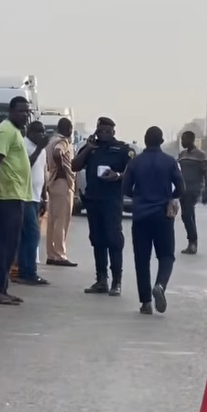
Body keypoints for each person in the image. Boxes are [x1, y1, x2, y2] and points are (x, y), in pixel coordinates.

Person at [124, 126, 184, 315]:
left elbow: (126, 189)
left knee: (142, 260)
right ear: (161, 141)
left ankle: (146, 303)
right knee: (166, 256)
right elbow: (181, 188)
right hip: (163, 215)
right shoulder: (169, 162)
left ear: (145, 140)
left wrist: (140, 196)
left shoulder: (135, 162)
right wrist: (169, 197)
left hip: (141, 216)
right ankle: (160, 285)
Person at [72, 116, 132, 295]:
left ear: (113, 131)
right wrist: (88, 148)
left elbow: (132, 173)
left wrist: (118, 176)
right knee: (97, 240)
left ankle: (116, 282)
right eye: (100, 131)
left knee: (114, 240)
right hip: (93, 200)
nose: (103, 134)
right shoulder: (91, 148)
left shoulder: (122, 149)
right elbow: (74, 166)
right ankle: (101, 280)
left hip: (111, 201)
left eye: (107, 131)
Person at [0, 96, 32, 305]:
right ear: (11, 111)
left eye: (27, 111)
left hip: (16, 194)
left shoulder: (15, 131)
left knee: (11, 245)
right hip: (6, 195)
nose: (25, 115)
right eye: (21, 111)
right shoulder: (5, 131)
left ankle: (2, 288)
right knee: (3, 244)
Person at [15, 120, 49, 286]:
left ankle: (26, 270)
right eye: (38, 132)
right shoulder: (24, 145)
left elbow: (43, 172)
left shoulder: (42, 149)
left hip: (36, 197)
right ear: (30, 133)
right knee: (32, 234)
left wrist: (44, 196)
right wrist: (38, 149)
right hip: (25, 196)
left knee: (28, 235)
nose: (42, 135)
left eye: (43, 132)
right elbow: (24, 167)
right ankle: (28, 271)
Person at [45, 117, 77, 267]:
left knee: (53, 220)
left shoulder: (51, 140)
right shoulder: (63, 142)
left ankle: (51, 253)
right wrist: (62, 170)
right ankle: (60, 255)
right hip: (63, 183)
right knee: (62, 221)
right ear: (69, 129)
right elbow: (58, 153)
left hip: (52, 182)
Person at [177, 131, 207, 255]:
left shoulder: (200, 155)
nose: (182, 142)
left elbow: (206, 174)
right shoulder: (182, 155)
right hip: (182, 190)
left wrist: (206, 191)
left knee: (186, 215)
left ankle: (192, 242)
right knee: (189, 216)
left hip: (193, 189)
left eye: (184, 140)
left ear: (191, 140)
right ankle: (193, 242)